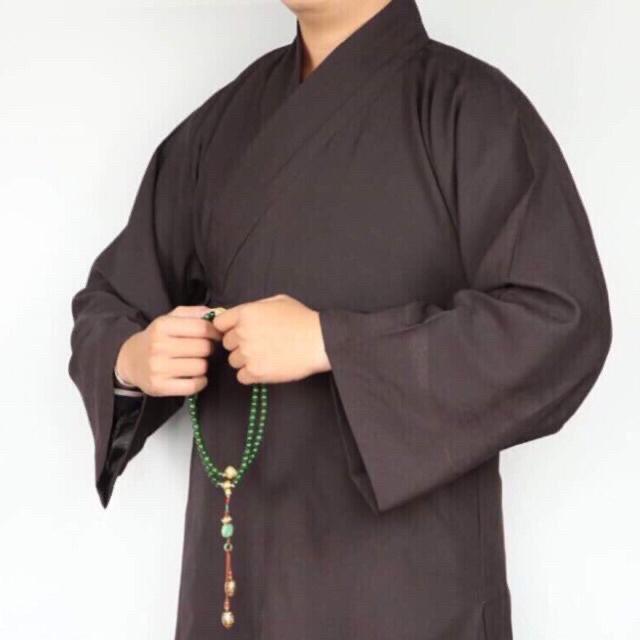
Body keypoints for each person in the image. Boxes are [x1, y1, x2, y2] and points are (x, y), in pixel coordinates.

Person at [67, 1, 612, 638]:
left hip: (409, 592)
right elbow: (110, 303)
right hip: (241, 585)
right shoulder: (221, 128)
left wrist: (330, 342)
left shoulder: (470, 108)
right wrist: (132, 360)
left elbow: (560, 320)